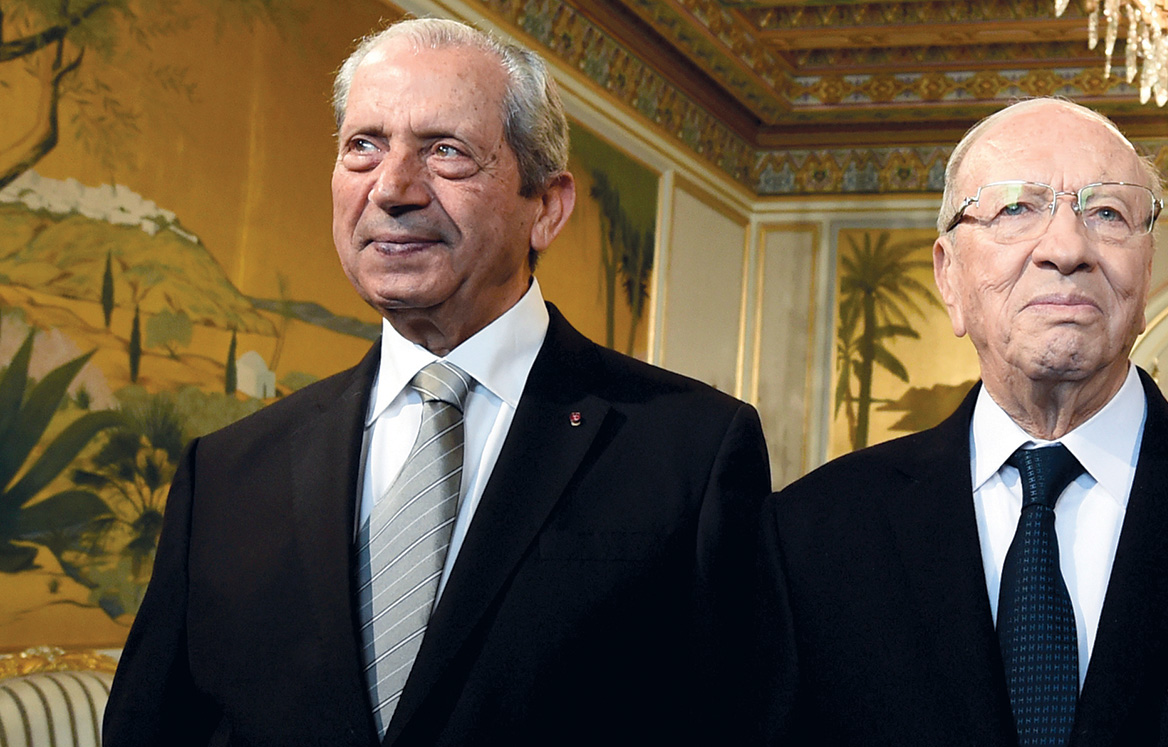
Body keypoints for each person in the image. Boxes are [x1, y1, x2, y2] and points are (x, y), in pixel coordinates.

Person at [103, 18, 770, 747]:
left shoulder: (692, 449)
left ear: (546, 207)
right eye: (364, 145)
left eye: (445, 150)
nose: (391, 188)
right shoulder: (225, 474)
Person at [753, 97, 1168, 746]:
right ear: (949, 276)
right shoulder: (809, 535)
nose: (1066, 248)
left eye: (1107, 212)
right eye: (1015, 209)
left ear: (1146, 273)